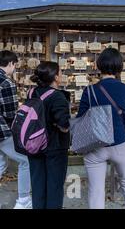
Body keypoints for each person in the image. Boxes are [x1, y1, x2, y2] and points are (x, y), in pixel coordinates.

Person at [77, 48, 125, 209]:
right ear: (119, 67)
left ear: (99, 66)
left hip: (95, 144)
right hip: (120, 142)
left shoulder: (89, 91)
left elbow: (80, 117)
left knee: (95, 189)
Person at [27, 61, 71, 209]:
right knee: (54, 186)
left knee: (37, 184)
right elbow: (64, 125)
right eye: (60, 72)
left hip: (34, 144)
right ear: (56, 77)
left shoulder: (31, 92)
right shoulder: (58, 97)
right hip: (54, 146)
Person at [0, 51, 32, 209]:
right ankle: (23, 201)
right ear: (11, 64)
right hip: (1, 131)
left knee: (0, 163)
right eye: (15, 65)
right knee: (25, 161)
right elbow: (10, 113)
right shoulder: (6, 82)